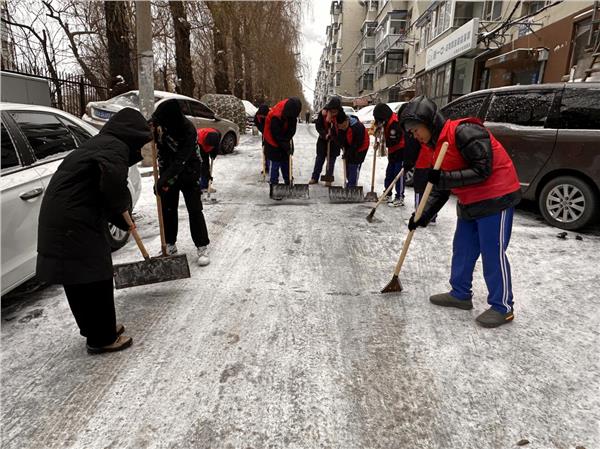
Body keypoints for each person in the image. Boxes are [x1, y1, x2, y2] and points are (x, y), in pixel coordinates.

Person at [36, 108, 151, 354]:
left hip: (65, 216)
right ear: (130, 135)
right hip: (75, 220)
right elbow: (112, 184)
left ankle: (97, 329)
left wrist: (121, 219)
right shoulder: (114, 148)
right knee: (95, 275)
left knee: (77, 275)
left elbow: (101, 188)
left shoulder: (101, 144)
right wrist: (123, 212)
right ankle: (102, 337)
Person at [400, 96, 521, 328]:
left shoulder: (465, 131)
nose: (415, 136)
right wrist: (421, 216)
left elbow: (483, 170)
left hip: (497, 197)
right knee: (463, 248)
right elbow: (439, 188)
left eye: (416, 130)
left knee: (492, 252)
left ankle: (502, 306)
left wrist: (443, 178)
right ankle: (460, 293)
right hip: (470, 201)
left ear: (429, 122)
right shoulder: (436, 147)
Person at [152, 99, 211, 267]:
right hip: (168, 169)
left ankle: (201, 245)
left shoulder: (188, 130)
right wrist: (151, 130)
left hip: (188, 171)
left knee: (194, 209)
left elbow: (180, 160)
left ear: (172, 117)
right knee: (168, 208)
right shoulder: (161, 123)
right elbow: (147, 125)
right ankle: (169, 244)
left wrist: (163, 179)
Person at [372, 103, 419, 207]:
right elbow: (382, 133)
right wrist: (379, 141)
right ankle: (387, 194)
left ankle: (400, 197)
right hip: (393, 152)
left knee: (398, 175)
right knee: (389, 173)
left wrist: (384, 144)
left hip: (400, 151)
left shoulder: (395, 123)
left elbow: (394, 141)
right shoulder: (386, 121)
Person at [263, 97, 302, 195]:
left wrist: (287, 142)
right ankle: (274, 186)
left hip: (283, 136)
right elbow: (276, 134)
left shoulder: (293, 112)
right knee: (275, 162)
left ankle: (288, 182)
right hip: (271, 138)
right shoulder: (276, 115)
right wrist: (284, 144)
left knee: (286, 160)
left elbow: (292, 129)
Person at [308, 96, 345, 186]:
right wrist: (325, 135)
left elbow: (342, 128)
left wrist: (334, 135)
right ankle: (314, 177)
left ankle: (328, 178)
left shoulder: (341, 116)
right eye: (332, 111)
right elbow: (318, 126)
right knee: (319, 159)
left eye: (335, 111)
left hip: (334, 142)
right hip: (323, 141)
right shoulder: (323, 113)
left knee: (331, 161)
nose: (333, 113)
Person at [336, 113, 369, 187]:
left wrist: (348, 153)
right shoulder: (341, 127)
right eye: (340, 127)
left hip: (361, 146)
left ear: (347, 120)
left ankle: (352, 186)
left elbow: (358, 143)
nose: (343, 128)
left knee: (354, 165)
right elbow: (340, 139)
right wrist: (343, 146)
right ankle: (350, 182)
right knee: (347, 166)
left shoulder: (357, 127)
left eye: (344, 126)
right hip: (350, 145)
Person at [198, 127, 221, 195]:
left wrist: (214, 153)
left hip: (205, 142)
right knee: (203, 165)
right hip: (199, 146)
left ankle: (206, 185)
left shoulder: (217, 134)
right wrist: (207, 174)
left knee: (206, 166)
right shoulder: (198, 139)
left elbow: (216, 145)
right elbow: (203, 158)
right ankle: (202, 185)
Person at [254, 104, 270, 177]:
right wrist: (263, 130)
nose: (263, 117)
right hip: (264, 133)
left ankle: (272, 166)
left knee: (271, 150)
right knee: (265, 149)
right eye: (262, 116)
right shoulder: (257, 116)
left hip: (271, 133)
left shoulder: (270, 115)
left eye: (264, 116)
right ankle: (266, 167)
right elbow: (257, 124)